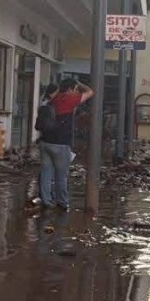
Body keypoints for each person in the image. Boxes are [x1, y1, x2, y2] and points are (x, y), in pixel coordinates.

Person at [38, 78, 93, 210]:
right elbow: (90, 92)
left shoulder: (53, 99)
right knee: (61, 176)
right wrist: (79, 82)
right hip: (60, 144)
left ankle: (46, 201)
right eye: (74, 89)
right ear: (69, 90)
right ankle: (62, 202)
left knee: (46, 173)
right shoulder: (69, 99)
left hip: (45, 142)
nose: (76, 92)